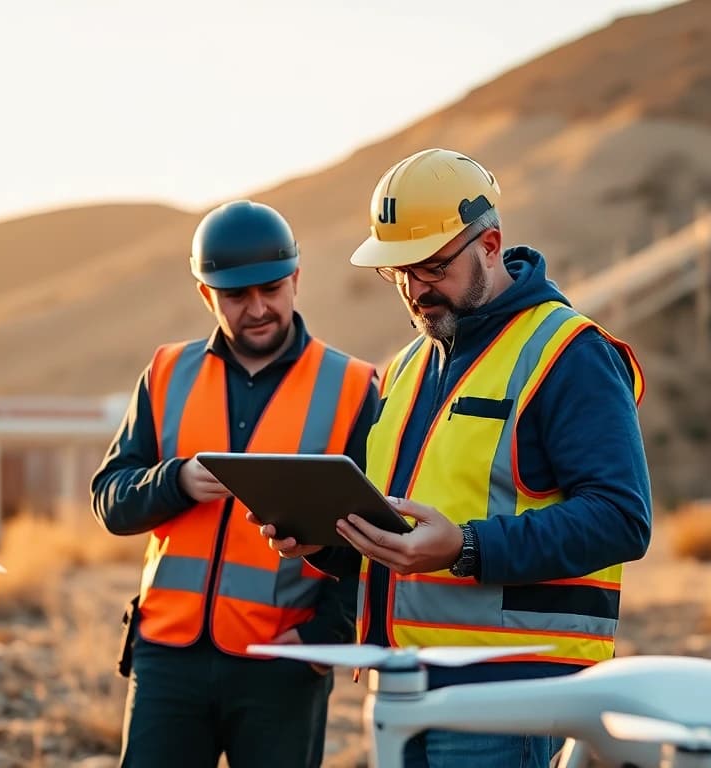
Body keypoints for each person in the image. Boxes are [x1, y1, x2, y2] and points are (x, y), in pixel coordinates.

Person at [254, 148, 653, 768]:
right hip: (402, 679)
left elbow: (622, 518)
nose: (415, 290)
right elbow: (402, 526)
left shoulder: (570, 352)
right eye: (399, 274)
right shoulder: (408, 367)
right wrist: (326, 540)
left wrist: (466, 547)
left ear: (490, 244)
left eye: (431, 267)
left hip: (509, 691)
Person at [91, 199, 380, 768]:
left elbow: (374, 532)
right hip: (167, 658)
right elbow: (110, 501)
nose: (257, 308)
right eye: (236, 296)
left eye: (270, 288)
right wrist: (176, 481)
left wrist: (327, 634)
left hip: (282, 662)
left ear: (296, 279)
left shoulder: (354, 386)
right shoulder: (166, 373)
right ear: (206, 295)